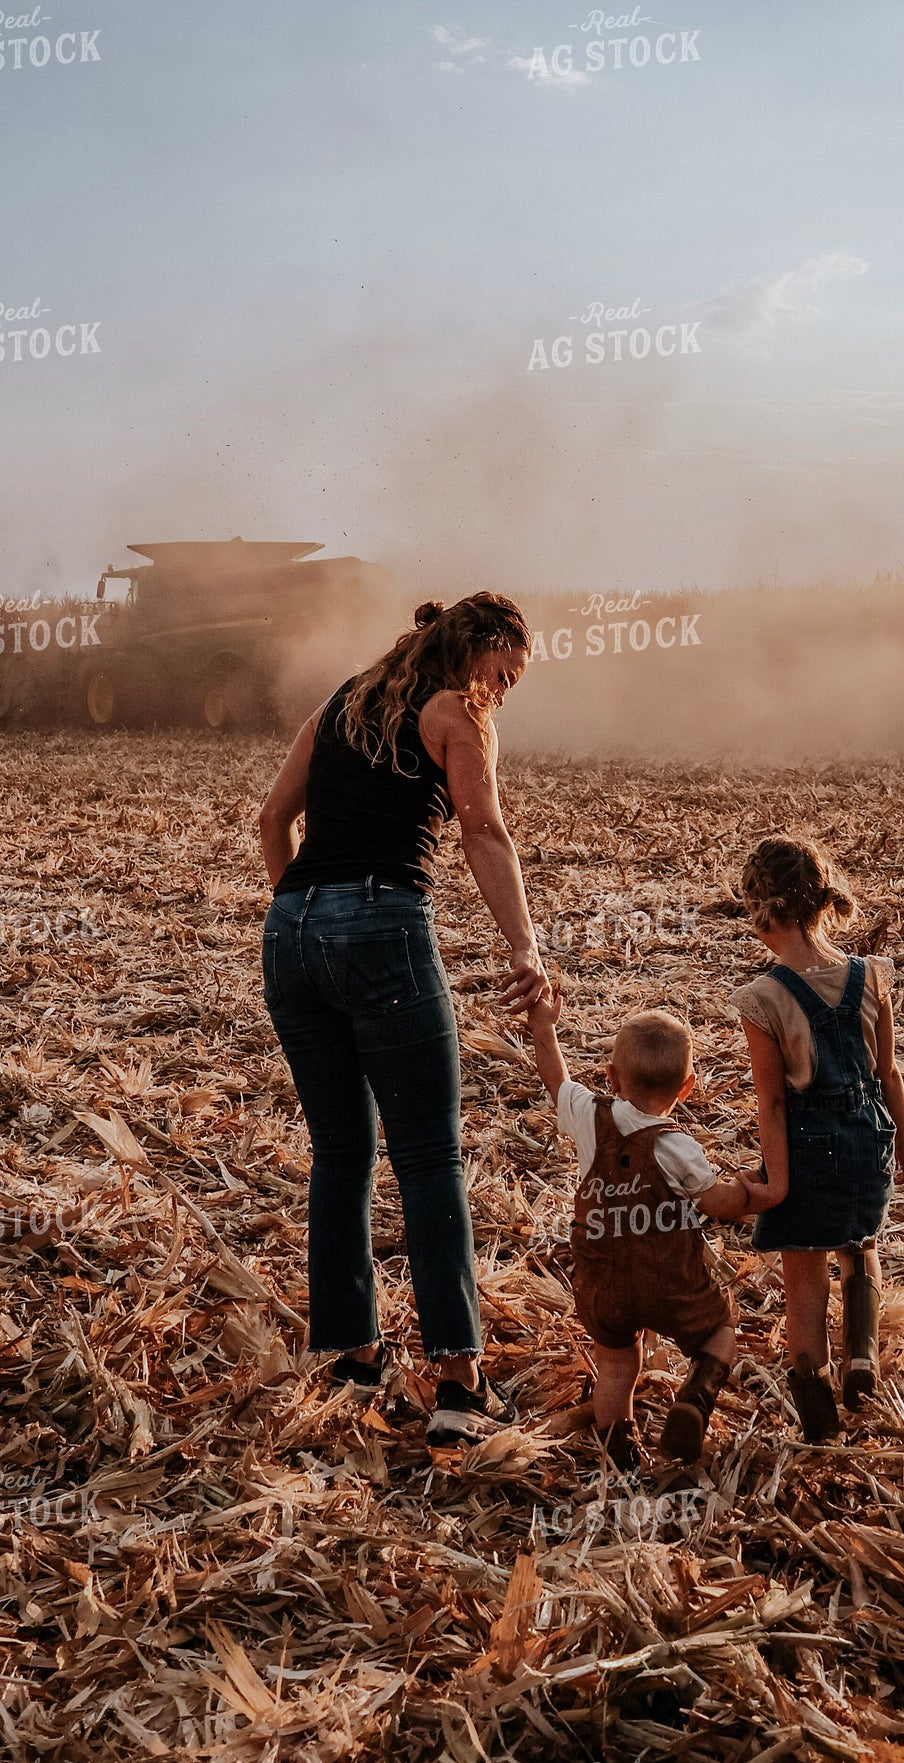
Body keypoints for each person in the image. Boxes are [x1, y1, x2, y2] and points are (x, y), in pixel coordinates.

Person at [257, 592, 551, 1446]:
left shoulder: (341, 700)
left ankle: (350, 1352)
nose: (507, 689)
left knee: (341, 1149)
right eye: (509, 670)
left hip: (290, 937)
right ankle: (459, 1384)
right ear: (482, 648)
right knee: (429, 1156)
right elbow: (483, 831)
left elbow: (274, 819)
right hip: (383, 926)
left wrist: (302, 910)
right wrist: (526, 950)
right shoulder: (458, 711)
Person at [732, 837, 904, 1442]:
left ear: (760, 911)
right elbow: (887, 1073)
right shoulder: (872, 976)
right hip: (870, 1137)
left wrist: (777, 1182)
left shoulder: (763, 998)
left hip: (809, 1149)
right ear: (819, 902)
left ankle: (818, 1418)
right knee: (861, 1243)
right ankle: (862, 1357)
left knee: (804, 1277)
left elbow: (773, 1100)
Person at [526, 990, 753, 1472]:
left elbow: (555, 1077)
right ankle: (694, 1400)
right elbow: (720, 1204)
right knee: (720, 1332)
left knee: (615, 1365)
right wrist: (754, 1190)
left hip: (602, 1282)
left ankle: (621, 1457)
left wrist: (544, 1026)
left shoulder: (591, 1117)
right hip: (670, 1281)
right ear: (688, 1087)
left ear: (611, 1078)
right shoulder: (677, 1147)